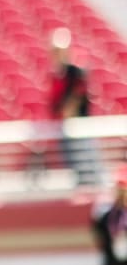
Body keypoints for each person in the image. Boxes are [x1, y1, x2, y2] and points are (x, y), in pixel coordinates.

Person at [49, 27, 98, 186]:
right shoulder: (57, 74)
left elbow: (79, 94)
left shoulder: (75, 71)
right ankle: (83, 184)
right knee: (73, 161)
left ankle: (90, 184)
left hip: (78, 125)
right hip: (64, 126)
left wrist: (68, 111)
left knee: (85, 158)